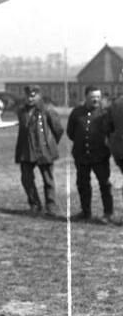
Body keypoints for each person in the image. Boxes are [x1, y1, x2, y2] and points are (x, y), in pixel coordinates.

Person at [66, 86, 114, 223]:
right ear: (86, 97)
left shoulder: (105, 113)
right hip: (82, 156)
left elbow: (111, 131)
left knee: (104, 184)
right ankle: (85, 212)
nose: (96, 100)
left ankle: (108, 213)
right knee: (82, 184)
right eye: (93, 97)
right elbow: (70, 133)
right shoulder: (76, 113)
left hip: (100, 156)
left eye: (98, 97)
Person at [14, 85, 64, 215]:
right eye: (28, 95)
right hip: (27, 150)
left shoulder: (47, 110)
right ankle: (35, 204)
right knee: (26, 179)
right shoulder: (21, 111)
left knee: (48, 180)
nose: (30, 98)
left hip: (44, 150)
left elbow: (58, 129)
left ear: (39, 95)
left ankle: (51, 206)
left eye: (33, 95)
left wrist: (50, 144)